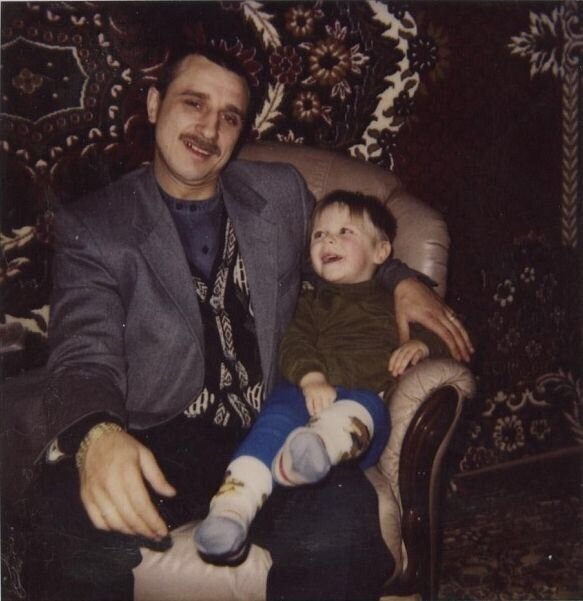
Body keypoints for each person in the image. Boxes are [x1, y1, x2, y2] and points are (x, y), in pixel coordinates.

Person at [22, 45, 473, 601]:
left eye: (230, 116)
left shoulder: (279, 195)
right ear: (155, 104)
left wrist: (401, 279)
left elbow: (342, 255)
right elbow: (83, 351)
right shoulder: (96, 225)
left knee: (342, 527)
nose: (209, 129)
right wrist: (97, 434)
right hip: (160, 440)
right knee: (61, 519)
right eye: (193, 103)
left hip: (273, 426)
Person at [194, 189, 451, 563]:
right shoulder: (310, 300)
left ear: (381, 251)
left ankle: (311, 453)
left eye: (345, 232)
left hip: (361, 402)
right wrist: (310, 377)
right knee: (272, 423)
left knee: (365, 410)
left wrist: (422, 345)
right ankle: (230, 513)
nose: (328, 240)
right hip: (305, 391)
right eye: (319, 234)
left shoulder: (395, 302)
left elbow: (447, 334)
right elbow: (294, 341)